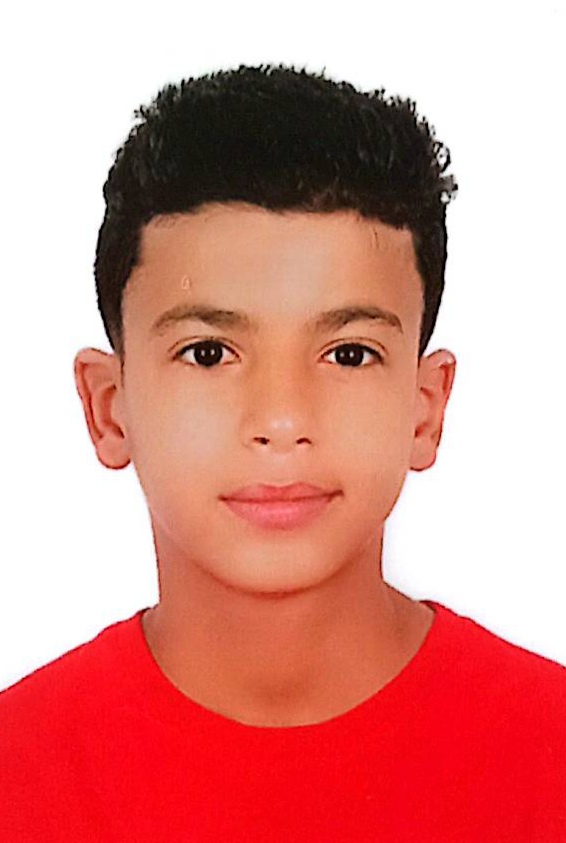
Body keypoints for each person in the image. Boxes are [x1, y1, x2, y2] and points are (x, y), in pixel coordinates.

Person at [1, 63, 564, 841]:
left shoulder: (549, 754)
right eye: (208, 352)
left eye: (349, 353)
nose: (281, 419)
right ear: (108, 406)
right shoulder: (17, 772)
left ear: (426, 408)